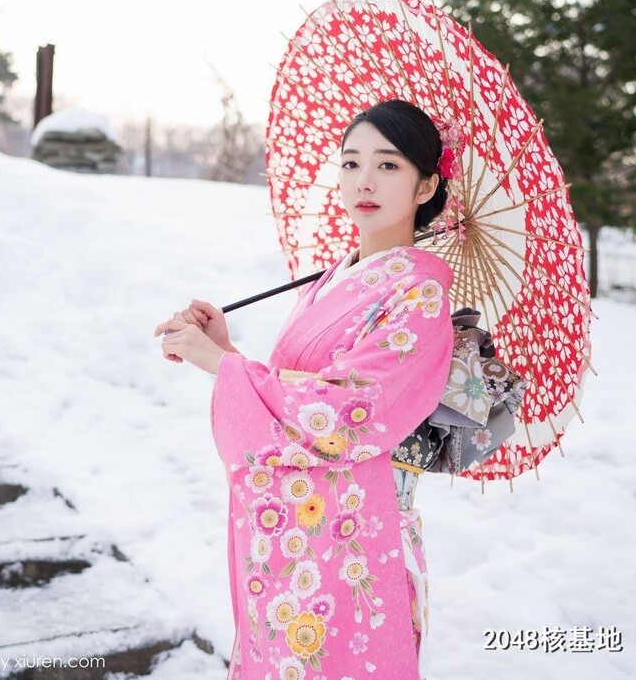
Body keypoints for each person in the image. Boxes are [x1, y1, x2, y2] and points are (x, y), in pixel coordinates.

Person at [154, 99, 455, 680]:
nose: (363, 181)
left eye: (389, 166)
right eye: (350, 163)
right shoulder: (333, 277)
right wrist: (230, 352)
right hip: (296, 531)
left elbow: (347, 414)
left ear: (426, 186)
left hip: (356, 536)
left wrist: (222, 367)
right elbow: (297, 395)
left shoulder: (420, 293)